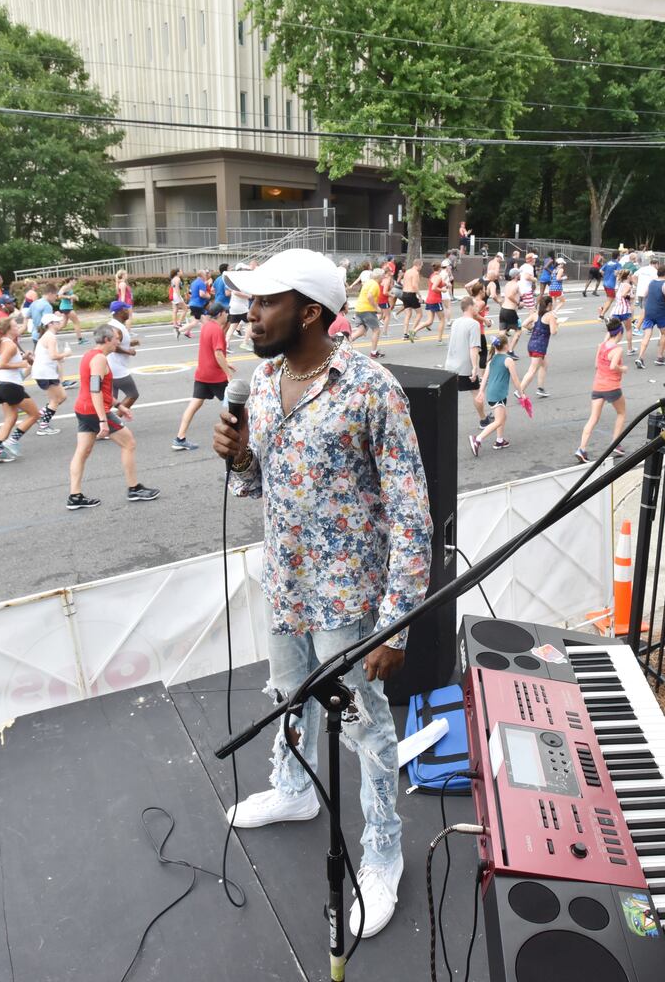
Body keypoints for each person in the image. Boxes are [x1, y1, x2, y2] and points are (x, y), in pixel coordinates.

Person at [211, 247, 431, 940]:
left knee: (366, 727)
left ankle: (383, 852)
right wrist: (240, 458)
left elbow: (411, 513)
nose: (249, 313)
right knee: (287, 697)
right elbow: (261, 487)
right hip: (286, 585)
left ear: (310, 311)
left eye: (266, 301)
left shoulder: (371, 388)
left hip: (351, 602)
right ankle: (294, 790)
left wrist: (395, 624)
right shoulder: (263, 380)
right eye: (249, 301)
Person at [67, 324, 159, 508]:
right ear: (107, 340)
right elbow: (95, 391)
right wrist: (103, 420)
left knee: (82, 451)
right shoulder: (100, 359)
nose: (119, 341)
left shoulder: (90, 355)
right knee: (129, 443)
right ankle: (134, 489)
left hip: (83, 408)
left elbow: (99, 389)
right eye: (117, 338)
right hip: (93, 410)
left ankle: (74, 496)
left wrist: (119, 405)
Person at [172, 303, 231, 451]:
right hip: (215, 376)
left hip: (202, 373)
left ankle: (180, 438)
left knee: (194, 405)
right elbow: (218, 353)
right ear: (220, 314)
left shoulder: (206, 327)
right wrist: (228, 373)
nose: (227, 315)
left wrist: (227, 364)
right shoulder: (217, 330)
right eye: (225, 312)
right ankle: (236, 436)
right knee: (233, 405)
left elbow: (212, 352)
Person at [0, 315, 41, 464]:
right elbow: (2, 364)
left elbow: (8, 359)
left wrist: (24, 357)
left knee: (10, 418)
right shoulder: (10, 344)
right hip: (11, 385)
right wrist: (21, 365)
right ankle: (12, 441)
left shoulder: (4, 342)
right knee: (34, 415)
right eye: (15, 326)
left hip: (2, 384)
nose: (18, 328)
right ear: (8, 330)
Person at [575, 318, 629, 463]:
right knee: (621, 413)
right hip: (612, 386)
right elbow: (613, 366)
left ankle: (582, 448)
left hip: (598, 386)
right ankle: (615, 444)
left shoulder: (602, 346)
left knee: (593, 418)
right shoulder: (617, 349)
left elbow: (596, 365)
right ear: (620, 333)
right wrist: (622, 369)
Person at [469, 333, 514, 454]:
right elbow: (516, 380)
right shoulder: (508, 360)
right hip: (498, 394)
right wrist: (522, 394)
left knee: (503, 416)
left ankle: (499, 441)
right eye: (508, 342)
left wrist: (481, 391)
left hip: (494, 393)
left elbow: (484, 378)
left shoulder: (492, 360)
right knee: (499, 420)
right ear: (505, 346)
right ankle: (477, 439)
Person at [444, 295, 486, 424]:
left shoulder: (456, 322)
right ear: (470, 307)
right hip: (464, 367)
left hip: (450, 365)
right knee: (476, 393)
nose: (477, 308)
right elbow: (473, 347)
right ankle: (484, 420)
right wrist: (474, 368)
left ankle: (445, 420)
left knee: (450, 396)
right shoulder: (474, 324)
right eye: (475, 306)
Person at [31, 311, 72, 436]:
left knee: (62, 397)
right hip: (45, 373)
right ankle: (43, 426)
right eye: (57, 321)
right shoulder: (50, 337)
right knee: (55, 399)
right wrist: (67, 353)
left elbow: (55, 357)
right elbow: (53, 356)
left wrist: (63, 356)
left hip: (45, 372)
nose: (60, 323)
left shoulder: (48, 336)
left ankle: (40, 415)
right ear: (50, 324)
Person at [518, 293, 558, 397]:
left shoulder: (535, 314)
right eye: (552, 304)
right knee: (532, 370)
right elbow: (553, 332)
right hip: (539, 347)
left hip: (532, 344)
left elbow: (524, 324)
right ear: (549, 304)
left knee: (544, 365)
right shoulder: (550, 316)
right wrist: (556, 324)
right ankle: (520, 390)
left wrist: (532, 328)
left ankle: (540, 388)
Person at [106, 299, 141, 419]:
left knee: (110, 400)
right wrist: (129, 351)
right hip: (117, 368)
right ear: (120, 312)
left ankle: (101, 425)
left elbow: (118, 342)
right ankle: (115, 421)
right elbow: (113, 346)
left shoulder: (116, 325)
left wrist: (130, 343)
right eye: (126, 309)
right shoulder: (116, 328)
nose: (128, 311)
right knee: (132, 394)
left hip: (112, 367)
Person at [635, 265, 665, 369]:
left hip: (649, 311)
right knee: (664, 334)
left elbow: (645, 294)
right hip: (660, 311)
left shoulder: (651, 282)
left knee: (647, 335)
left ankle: (640, 357)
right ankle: (660, 357)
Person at [350, 268, 384, 358]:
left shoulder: (368, 282)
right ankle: (373, 352)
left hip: (359, 309)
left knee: (361, 331)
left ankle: (343, 345)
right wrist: (376, 308)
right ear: (379, 276)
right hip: (367, 310)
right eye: (383, 276)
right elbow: (369, 296)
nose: (383, 278)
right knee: (376, 330)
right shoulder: (374, 284)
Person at [227, 262, 254, 351]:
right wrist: (249, 296)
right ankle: (245, 342)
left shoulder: (236, 279)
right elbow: (236, 292)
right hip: (240, 306)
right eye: (245, 270)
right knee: (251, 323)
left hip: (234, 305)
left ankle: (226, 343)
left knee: (233, 325)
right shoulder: (239, 280)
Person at [398, 260, 422, 341]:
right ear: (418, 265)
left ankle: (405, 334)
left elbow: (403, 282)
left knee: (408, 314)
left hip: (404, 294)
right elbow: (415, 285)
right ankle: (412, 333)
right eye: (421, 266)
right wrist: (419, 296)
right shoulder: (415, 273)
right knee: (419, 314)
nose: (421, 268)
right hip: (411, 294)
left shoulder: (407, 271)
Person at [57, 277, 84, 343]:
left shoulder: (70, 288)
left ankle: (47, 333)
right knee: (76, 322)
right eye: (75, 281)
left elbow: (69, 296)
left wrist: (74, 299)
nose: (76, 283)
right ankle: (80, 340)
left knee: (63, 324)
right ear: (71, 281)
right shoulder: (65, 287)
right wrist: (70, 297)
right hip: (66, 307)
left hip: (67, 307)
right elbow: (59, 295)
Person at [187, 268, 210, 339]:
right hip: (199, 304)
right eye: (206, 274)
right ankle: (180, 330)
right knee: (202, 320)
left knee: (199, 319)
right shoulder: (202, 283)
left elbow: (190, 293)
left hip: (194, 303)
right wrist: (208, 296)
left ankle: (187, 331)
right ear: (202, 275)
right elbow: (202, 294)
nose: (206, 275)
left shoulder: (194, 282)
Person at [168, 267, 186, 337]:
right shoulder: (178, 279)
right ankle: (179, 322)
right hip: (176, 295)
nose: (182, 272)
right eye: (181, 271)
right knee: (185, 309)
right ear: (178, 272)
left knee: (175, 310)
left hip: (173, 295)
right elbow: (177, 289)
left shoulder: (173, 279)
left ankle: (175, 324)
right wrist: (180, 298)